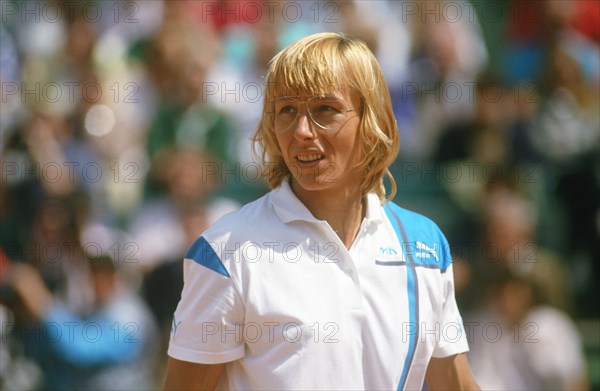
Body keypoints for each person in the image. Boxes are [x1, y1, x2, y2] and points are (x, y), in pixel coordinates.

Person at [164, 32, 479, 390]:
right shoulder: (224, 252)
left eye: (324, 110)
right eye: (286, 111)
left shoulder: (426, 245)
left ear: (371, 117)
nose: (301, 131)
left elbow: (456, 385)